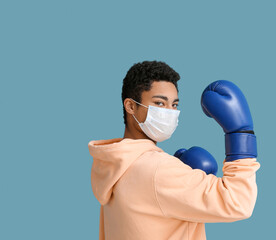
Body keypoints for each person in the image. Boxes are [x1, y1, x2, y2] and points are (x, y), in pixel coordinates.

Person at [88, 60, 261, 240]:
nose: (170, 112)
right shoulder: (159, 170)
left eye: (174, 105)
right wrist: (240, 134)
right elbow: (238, 202)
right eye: (160, 103)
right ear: (131, 106)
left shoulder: (113, 167)